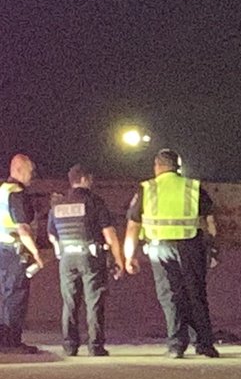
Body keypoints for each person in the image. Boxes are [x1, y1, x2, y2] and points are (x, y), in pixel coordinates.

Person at [124, 149, 220, 358]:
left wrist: (128, 256)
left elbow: (133, 226)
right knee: (196, 294)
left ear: (157, 166)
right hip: (190, 246)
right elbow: (210, 222)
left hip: (159, 248)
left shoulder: (147, 189)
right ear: (178, 167)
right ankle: (204, 344)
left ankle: (176, 345)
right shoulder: (193, 187)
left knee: (171, 296)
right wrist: (213, 248)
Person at [47, 164, 125, 356]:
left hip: (67, 258)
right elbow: (110, 234)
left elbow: (51, 234)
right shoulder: (94, 202)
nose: (93, 181)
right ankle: (95, 346)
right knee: (94, 301)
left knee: (70, 302)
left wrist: (60, 249)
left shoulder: (58, 205)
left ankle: (69, 345)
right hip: (90, 257)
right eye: (90, 178)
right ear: (84, 179)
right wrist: (119, 260)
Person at [0, 154, 46, 354]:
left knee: (5, 295)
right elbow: (23, 228)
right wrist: (36, 253)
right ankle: (12, 342)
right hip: (14, 251)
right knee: (16, 296)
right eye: (30, 171)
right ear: (18, 170)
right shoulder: (17, 193)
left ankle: (4, 338)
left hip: (2, 249)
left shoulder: (2, 190)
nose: (32, 175)